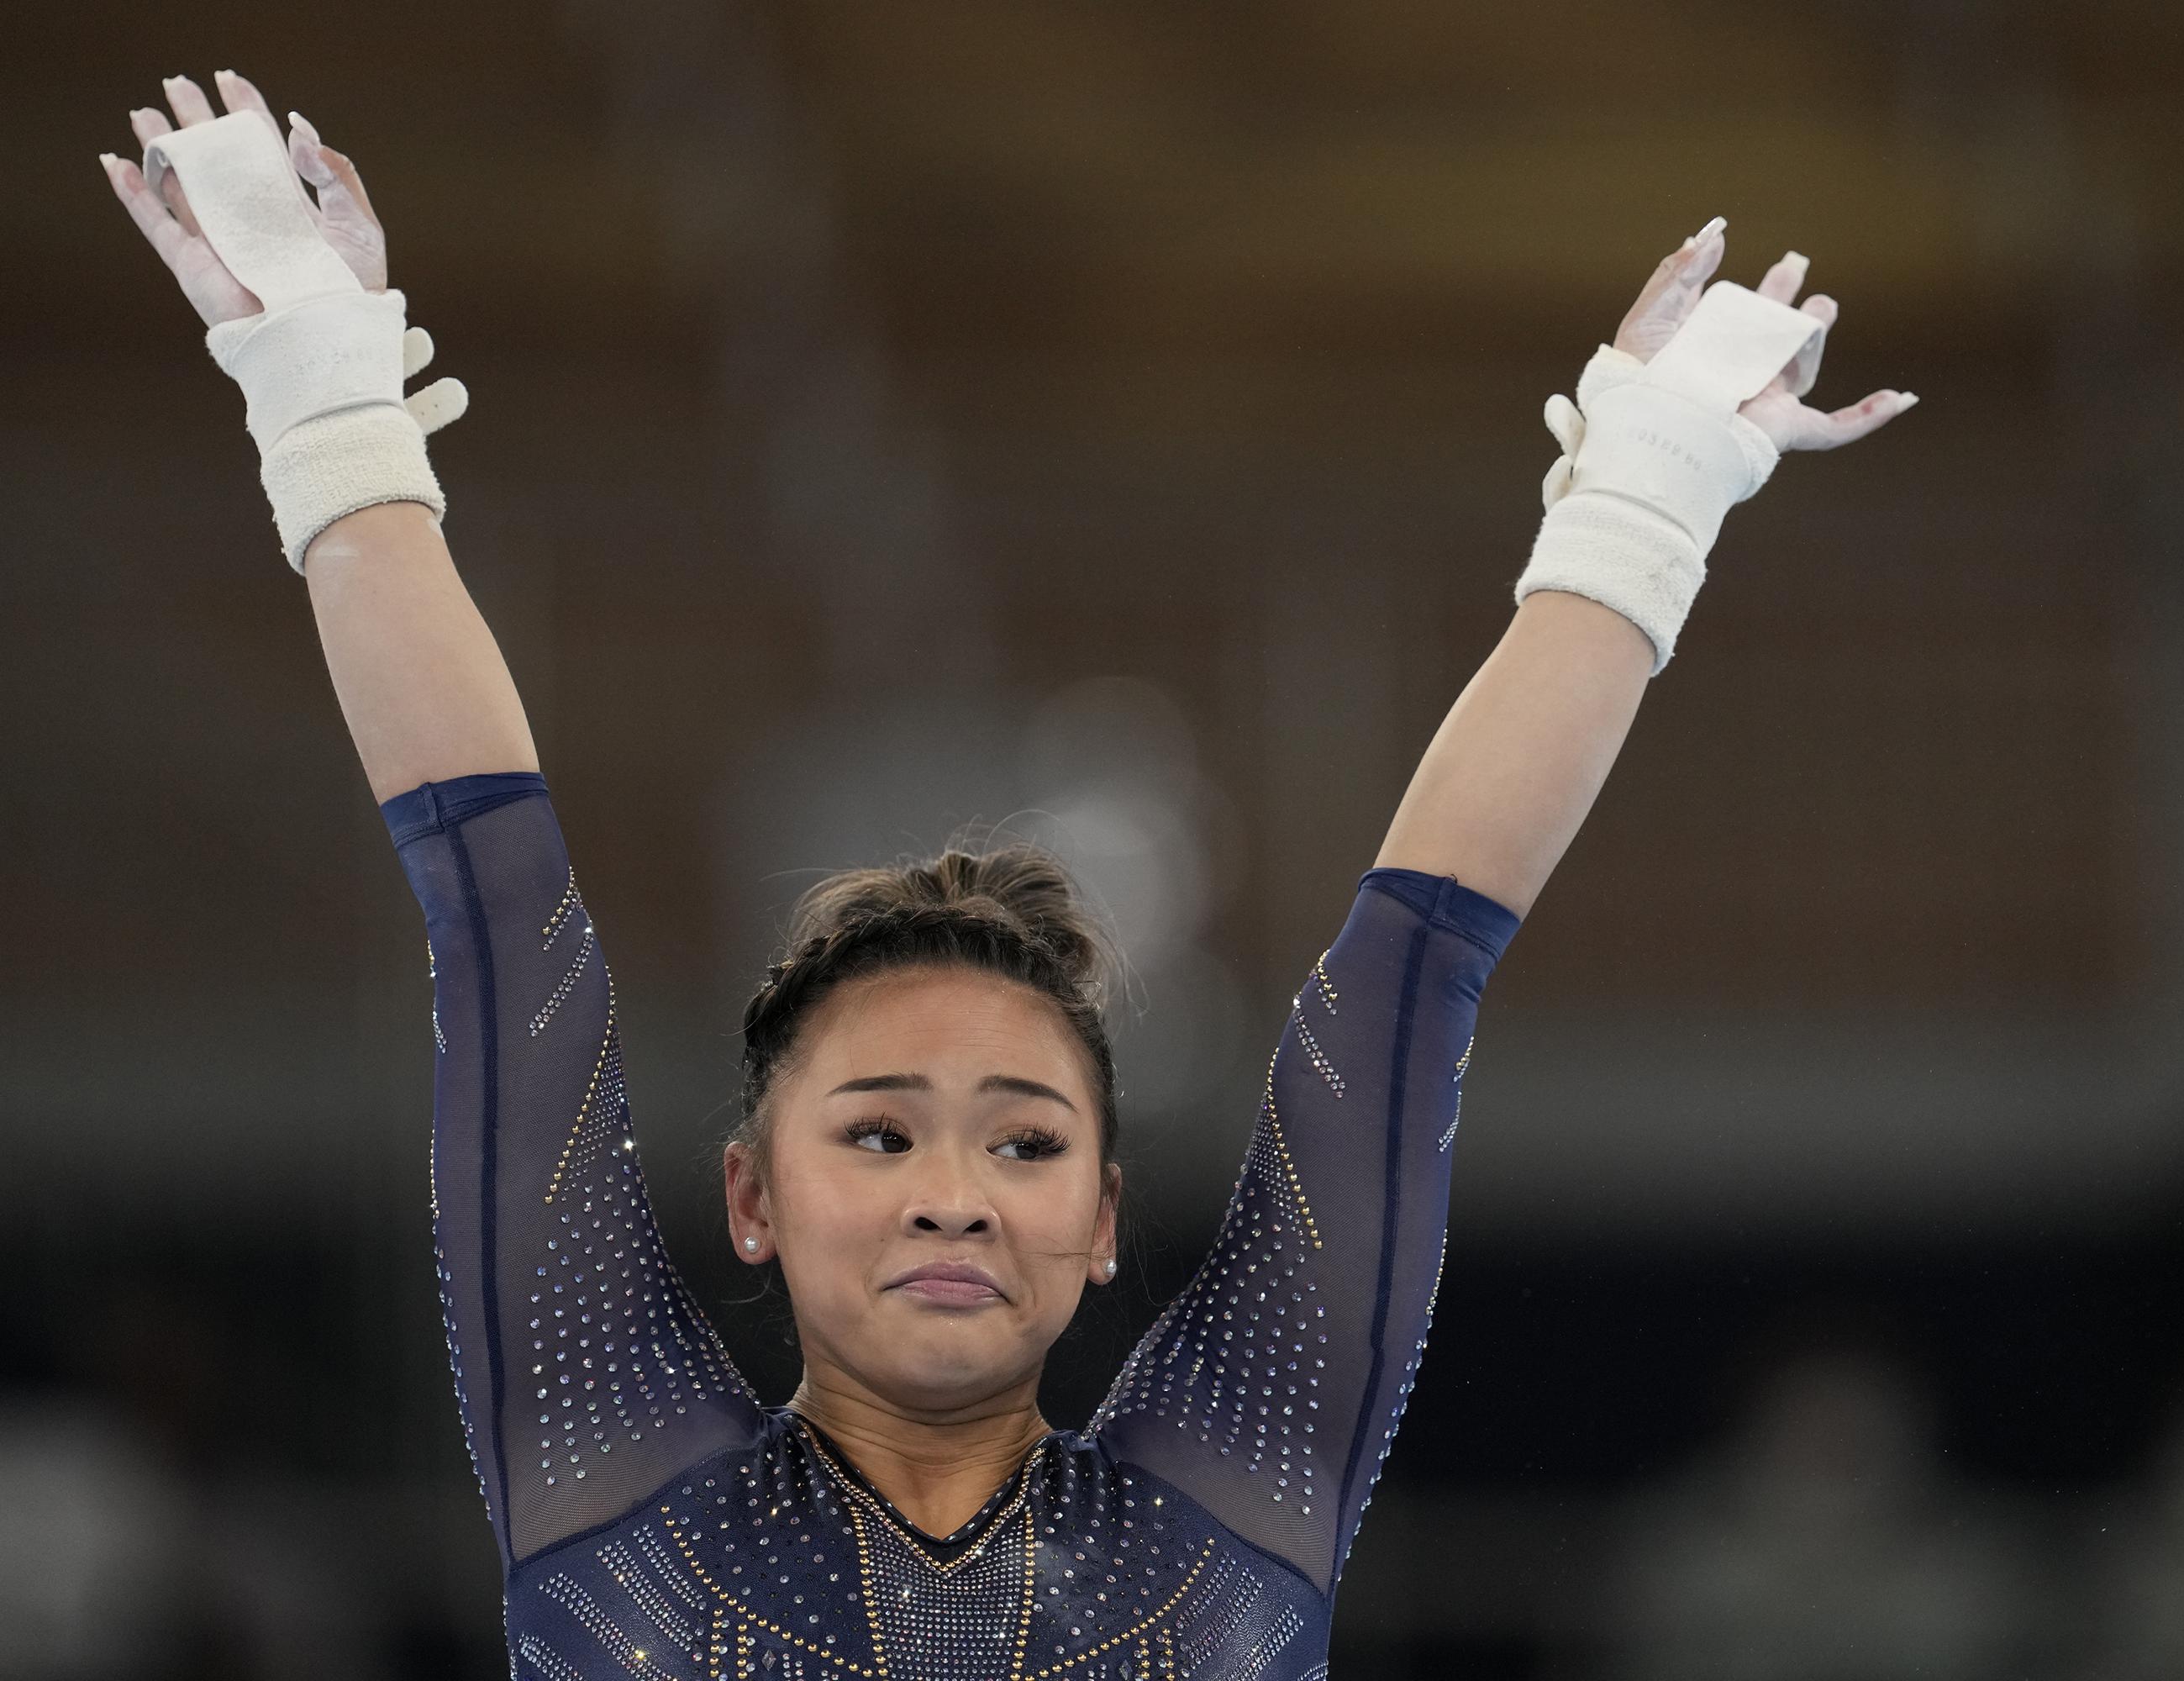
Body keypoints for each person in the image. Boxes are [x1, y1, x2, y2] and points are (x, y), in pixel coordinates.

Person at [101, 66, 1914, 1678]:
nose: (955, 1192)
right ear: (752, 1197)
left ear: (1108, 1210)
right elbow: (493, 908)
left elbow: (1420, 961)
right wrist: (324, 397)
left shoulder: (1229, 1511)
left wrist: (1651, 497)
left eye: (1025, 1140)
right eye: (880, 1130)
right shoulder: (609, 1473)